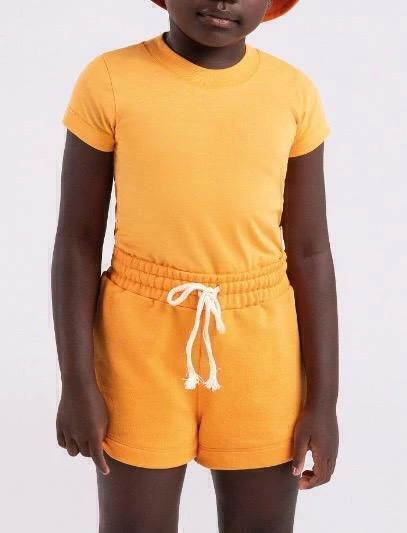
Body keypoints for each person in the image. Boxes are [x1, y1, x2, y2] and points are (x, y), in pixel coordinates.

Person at [52, 0, 339, 531]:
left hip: (262, 350)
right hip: (137, 344)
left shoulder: (291, 93)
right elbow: (77, 239)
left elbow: (310, 251)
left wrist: (324, 402)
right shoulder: (110, 79)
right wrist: (76, 381)